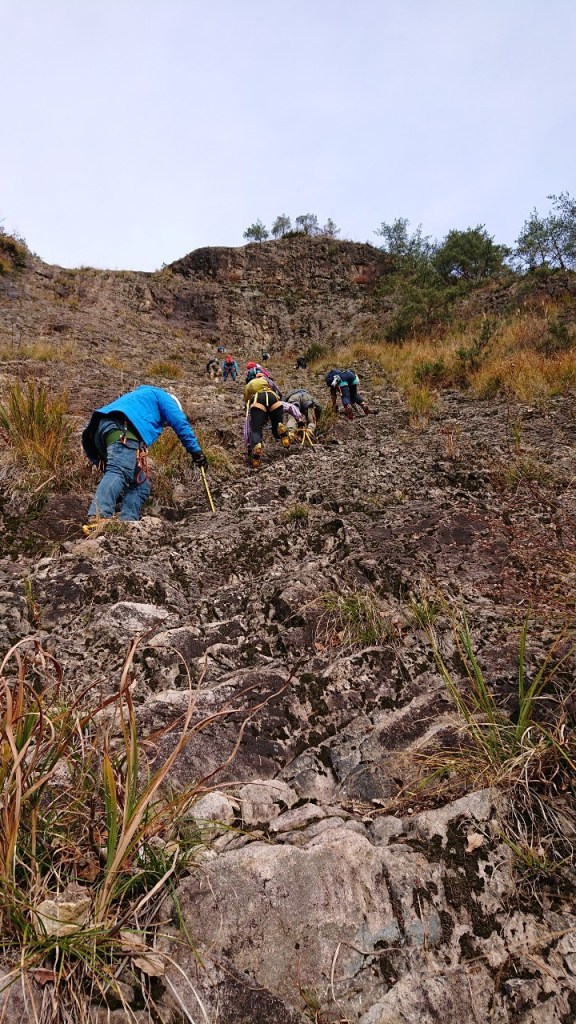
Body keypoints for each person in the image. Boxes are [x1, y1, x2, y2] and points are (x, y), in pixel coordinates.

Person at [81, 385, 207, 528]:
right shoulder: (163, 397)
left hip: (99, 432)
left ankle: (128, 523)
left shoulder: (142, 397)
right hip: (122, 429)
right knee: (119, 470)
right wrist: (196, 452)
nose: (165, 424)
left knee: (140, 484)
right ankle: (99, 515)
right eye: (165, 422)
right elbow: (180, 422)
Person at [243, 371, 289, 470]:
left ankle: (257, 449)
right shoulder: (267, 381)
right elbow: (278, 391)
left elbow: (246, 399)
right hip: (273, 397)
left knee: (256, 430)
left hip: (258, 400)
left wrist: (248, 405)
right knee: (276, 424)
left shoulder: (250, 384)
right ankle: (281, 431)